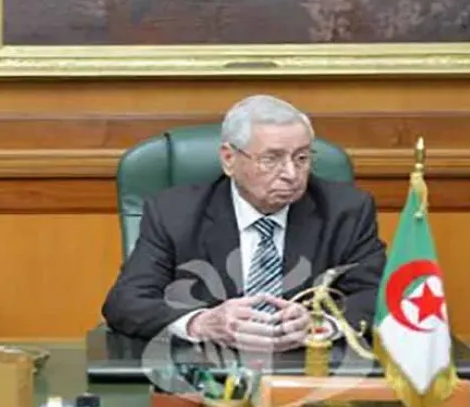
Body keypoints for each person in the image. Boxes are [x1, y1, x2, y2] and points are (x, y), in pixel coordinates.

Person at [101, 95, 387, 352]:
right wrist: (201, 323)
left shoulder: (346, 210)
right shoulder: (174, 213)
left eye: (301, 158)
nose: (291, 173)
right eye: (272, 159)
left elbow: (380, 296)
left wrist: (321, 323)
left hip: (308, 369)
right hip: (208, 370)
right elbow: (126, 302)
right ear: (229, 159)